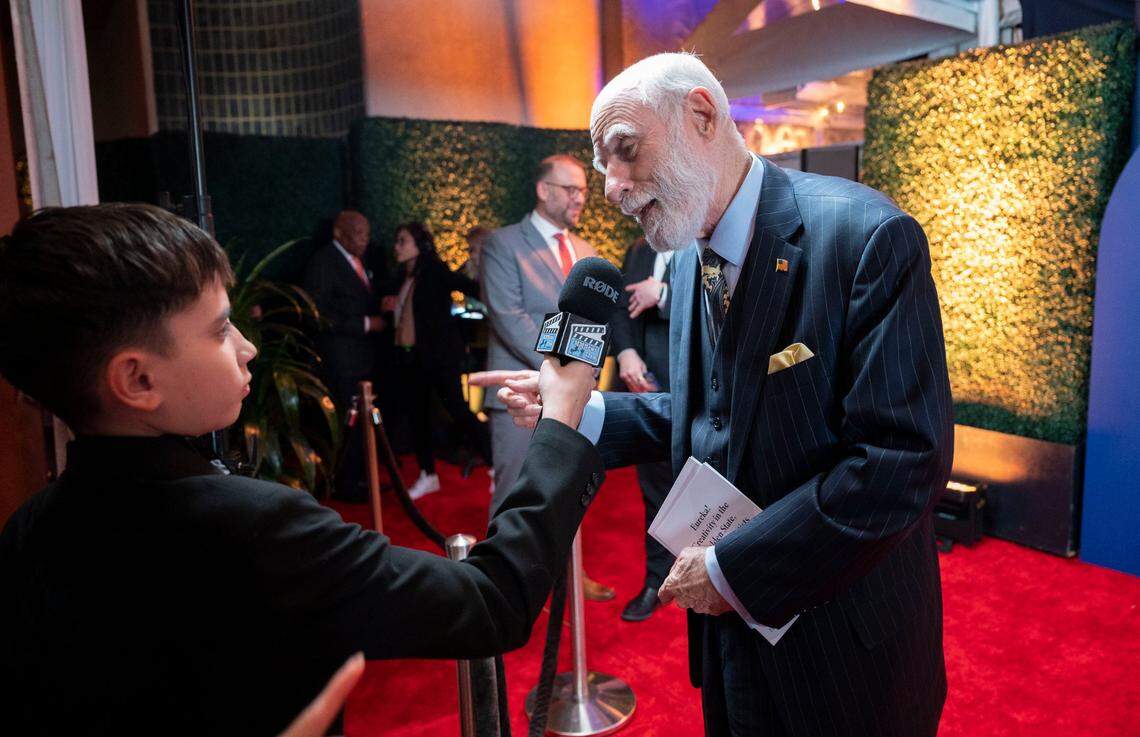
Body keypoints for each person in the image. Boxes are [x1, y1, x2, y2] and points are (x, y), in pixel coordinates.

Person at [479, 52, 954, 737]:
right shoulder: (689, 249)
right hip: (730, 644)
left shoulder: (867, 237)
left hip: (844, 650)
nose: (611, 188)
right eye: (603, 165)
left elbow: (901, 461)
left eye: (625, 151)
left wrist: (734, 571)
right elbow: (715, 412)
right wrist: (580, 410)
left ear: (701, 114)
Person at [0, 204, 606, 737]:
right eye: (220, 329)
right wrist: (560, 423)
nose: (248, 347)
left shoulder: (27, 530)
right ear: (137, 379)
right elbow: (492, 601)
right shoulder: (255, 526)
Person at [479, 154, 614, 602]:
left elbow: (595, 324)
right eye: (571, 189)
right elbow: (509, 318)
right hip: (519, 393)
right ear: (543, 190)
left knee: (568, 492)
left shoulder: (586, 251)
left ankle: (569, 577)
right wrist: (567, 371)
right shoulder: (502, 244)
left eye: (583, 191)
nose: (580, 198)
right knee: (514, 493)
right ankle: (501, 590)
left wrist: (581, 376)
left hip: (575, 398)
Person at [381, 221, 492, 499]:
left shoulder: (433, 270)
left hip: (440, 358)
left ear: (419, 244)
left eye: (403, 241)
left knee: (458, 409)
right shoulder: (403, 275)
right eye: (397, 241)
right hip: (410, 357)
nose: (397, 247)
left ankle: (495, 466)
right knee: (417, 416)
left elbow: (470, 287)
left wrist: (490, 269)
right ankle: (427, 474)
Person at [610, 236, 674, 622]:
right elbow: (619, 307)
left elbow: (731, 301)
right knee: (654, 489)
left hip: (704, 389)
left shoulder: (710, 241)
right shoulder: (639, 248)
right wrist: (626, 353)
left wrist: (663, 294)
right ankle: (658, 579)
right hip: (646, 387)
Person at [302, 210, 384, 501]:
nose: (364, 240)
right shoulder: (324, 261)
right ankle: (347, 485)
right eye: (359, 234)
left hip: (360, 360)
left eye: (367, 234)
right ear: (339, 233)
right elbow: (317, 314)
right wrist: (366, 324)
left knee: (360, 425)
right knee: (345, 424)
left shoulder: (358, 260)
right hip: (340, 361)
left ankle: (360, 479)